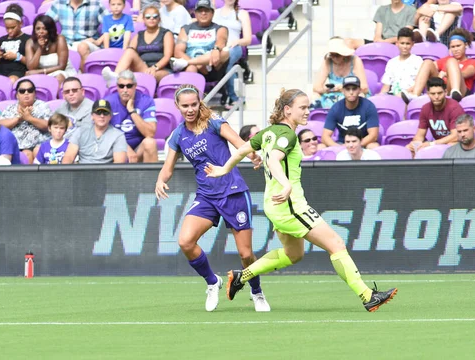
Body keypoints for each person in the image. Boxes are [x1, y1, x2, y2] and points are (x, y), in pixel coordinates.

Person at [204, 88, 397, 312]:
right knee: (336, 244)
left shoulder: (269, 132)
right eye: (303, 108)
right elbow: (274, 159)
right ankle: (367, 296)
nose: (308, 111)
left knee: (293, 254)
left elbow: (242, 150)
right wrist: (286, 184)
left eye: (308, 107)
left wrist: (224, 169)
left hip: (275, 205)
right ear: (287, 110)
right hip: (289, 204)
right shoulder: (287, 134)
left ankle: (241, 276)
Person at [155, 84, 270, 312]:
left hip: (233, 191)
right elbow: (168, 167)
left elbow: (239, 143)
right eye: (185, 105)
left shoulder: (215, 122)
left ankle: (256, 292)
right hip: (207, 196)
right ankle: (212, 281)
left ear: (200, 103)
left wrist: (254, 156)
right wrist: (160, 180)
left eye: (194, 104)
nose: (190, 109)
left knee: (246, 253)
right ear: (177, 106)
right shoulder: (178, 135)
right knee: (185, 242)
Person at [401, 28, 475, 103]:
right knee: (427, 62)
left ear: (465, 45)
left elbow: (467, 73)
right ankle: (415, 94)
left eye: (458, 46)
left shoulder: (472, 61)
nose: (455, 49)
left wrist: (446, 73)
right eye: (453, 47)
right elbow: (426, 71)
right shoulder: (445, 59)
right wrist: (411, 88)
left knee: (452, 61)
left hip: (462, 90)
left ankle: (455, 92)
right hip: (442, 89)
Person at [101, 5, 174, 86]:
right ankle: (115, 77)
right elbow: (129, 52)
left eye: (155, 16)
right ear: (143, 19)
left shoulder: (166, 33)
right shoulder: (139, 35)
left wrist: (154, 67)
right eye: (148, 17)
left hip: (161, 69)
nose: (151, 19)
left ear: (159, 19)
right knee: (129, 51)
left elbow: (167, 56)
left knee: (150, 76)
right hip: (143, 67)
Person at [105, 70, 158, 162]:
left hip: (138, 147)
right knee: (119, 153)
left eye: (129, 86)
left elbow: (150, 133)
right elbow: (102, 132)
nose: (125, 90)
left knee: (150, 143)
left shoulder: (146, 101)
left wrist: (132, 111)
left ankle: (151, 176)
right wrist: (125, 147)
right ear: (117, 87)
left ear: (135, 86)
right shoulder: (108, 102)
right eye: (121, 86)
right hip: (115, 146)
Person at [170, 0, 230, 79]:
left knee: (225, 52)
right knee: (191, 68)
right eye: (200, 11)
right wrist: (197, 64)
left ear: (212, 13)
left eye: (206, 11)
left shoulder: (220, 28)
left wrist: (216, 49)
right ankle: (191, 90)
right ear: (195, 14)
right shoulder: (186, 29)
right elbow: (178, 52)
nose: (203, 13)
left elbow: (220, 42)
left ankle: (189, 63)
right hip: (190, 65)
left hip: (210, 66)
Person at [405, 77, 464, 155]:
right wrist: (415, 145)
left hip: (458, 143)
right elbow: (420, 135)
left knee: (451, 145)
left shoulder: (455, 107)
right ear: (428, 94)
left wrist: (432, 144)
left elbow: (456, 136)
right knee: (409, 149)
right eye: (433, 94)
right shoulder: (425, 108)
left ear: (445, 92)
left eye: (439, 93)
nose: (436, 97)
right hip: (438, 144)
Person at [46, 0, 107, 72]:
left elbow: (112, 26)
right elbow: (44, 24)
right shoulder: (59, 4)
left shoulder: (96, 4)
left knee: (82, 47)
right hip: (66, 43)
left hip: (88, 43)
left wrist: (98, 41)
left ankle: (85, 78)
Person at [0, 79, 52, 163]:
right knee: (25, 154)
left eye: (30, 90)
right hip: (16, 147)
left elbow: (49, 126)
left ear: (35, 93)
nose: (26, 93)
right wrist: (18, 119)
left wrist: (29, 118)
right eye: (22, 91)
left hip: (38, 145)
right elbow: (0, 125)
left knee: (32, 152)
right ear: (17, 95)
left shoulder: (42, 106)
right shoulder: (10, 108)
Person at [61, 100, 128, 164]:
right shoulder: (80, 131)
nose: (102, 116)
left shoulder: (118, 135)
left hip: (106, 173)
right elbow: (68, 158)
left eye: (105, 113)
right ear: (92, 116)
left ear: (110, 116)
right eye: (98, 112)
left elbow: (119, 163)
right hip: (82, 172)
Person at [321, 76, 380, 148]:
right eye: (347, 89)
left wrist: (354, 146)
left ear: (360, 90)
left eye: (354, 89)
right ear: (342, 91)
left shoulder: (369, 106)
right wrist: (339, 147)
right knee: (321, 147)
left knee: (373, 146)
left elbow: (373, 136)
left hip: (363, 143)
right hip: (342, 144)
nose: (351, 92)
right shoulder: (335, 108)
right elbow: (325, 137)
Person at [311, 37, 369, 110]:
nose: (334, 58)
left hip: (352, 93)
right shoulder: (328, 61)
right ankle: (319, 118)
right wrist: (329, 89)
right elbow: (316, 87)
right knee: (314, 96)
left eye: (337, 55)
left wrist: (344, 88)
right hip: (332, 95)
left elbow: (364, 87)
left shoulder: (355, 60)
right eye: (332, 55)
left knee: (360, 96)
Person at [213, 0, 252, 109]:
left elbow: (247, 39)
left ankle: (235, 97)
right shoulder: (215, 13)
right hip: (217, 47)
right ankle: (226, 93)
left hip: (234, 46)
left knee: (227, 63)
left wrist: (237, 42)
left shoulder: (242, 14)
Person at [79, 0, 134, 71]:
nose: (116, 7)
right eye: (113, 5)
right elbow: (106, 35)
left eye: (119, 4)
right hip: (109, 47)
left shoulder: (128, 18)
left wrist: (124, 50)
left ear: (124, 6)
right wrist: (106, 51)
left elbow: (127, 35)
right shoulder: (106, 19)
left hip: (122, 48)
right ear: (109, 6)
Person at [25, 15, 76, 86]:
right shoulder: (30, 43)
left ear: (50, 30)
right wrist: (40, 48)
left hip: (62, 72)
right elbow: (31, 67)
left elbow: (62, 66)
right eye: (38, 29)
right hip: (41, 75)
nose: (41, 32)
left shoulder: (59, 39)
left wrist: (40, 72)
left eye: (44, 29)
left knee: (59, 77)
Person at [344, 0, 416, 50]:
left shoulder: (411, 10)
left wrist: (386, 42)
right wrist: (379, 40)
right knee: (348, 42)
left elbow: (406, 35)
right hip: (381, 42)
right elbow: (377, 34)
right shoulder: (382, 9)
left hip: (400, 44)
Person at [0, 4, 30, 83]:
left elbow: (31, 64)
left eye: (13, 27)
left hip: (18, 72)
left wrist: (17, 56)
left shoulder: (28, 40)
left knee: (10, 80)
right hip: (0, 72)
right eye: (7, 28)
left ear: (21, 23)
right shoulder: (0, 40)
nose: (9, 31)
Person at [380, 28, 423, 96]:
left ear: (412, 44)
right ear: (397, 43)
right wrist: (380, 96)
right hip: (393, 95)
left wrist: (403, 93)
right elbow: (386, 86)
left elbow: (420, 83)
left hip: (410, 95)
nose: (405, 47)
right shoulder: (391, 62)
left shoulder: (417, 61)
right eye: (402, 43)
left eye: (408, 43)